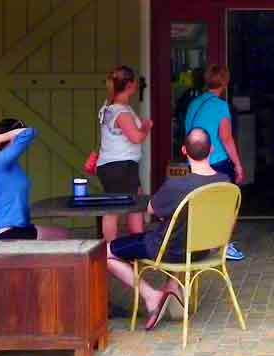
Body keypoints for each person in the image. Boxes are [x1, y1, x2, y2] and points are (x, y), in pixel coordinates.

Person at [107, 128, 230, 331]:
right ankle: (172, 287)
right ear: (212, 149)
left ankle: (151, 296)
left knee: (106, 251)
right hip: (203, 251)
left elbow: (150, 209)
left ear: (184, 150)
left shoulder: (176, 185)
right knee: (179, 234)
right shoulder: (224, 183)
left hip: (168, 250)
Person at [184, 64, 245, 261]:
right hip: (216, 161)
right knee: (228, 204)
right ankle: (223, 245)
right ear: (225, 82)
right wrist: (237, 164)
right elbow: (226, 138)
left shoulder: (194, 103)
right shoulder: (220, 106)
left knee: (201, 203)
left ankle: (201, 244)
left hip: (194, 161)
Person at [0, 119, 68, 240]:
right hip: (7, 232)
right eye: (14, 135)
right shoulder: (0, 161)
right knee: (62, 235)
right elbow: (29, 132)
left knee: (61, 232)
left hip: (15, 226)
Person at [97, 65, 153, 242]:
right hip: (120, 165)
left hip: (117, 165)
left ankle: (136, 242)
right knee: (115, 209)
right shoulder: (121, 112)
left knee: (134, 203)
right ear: (129, 85)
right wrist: (145, 127)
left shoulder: (109, 107)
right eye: (135, 81)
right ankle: (110, 250)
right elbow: (136, 137)